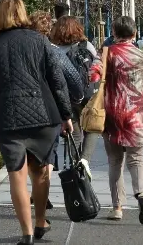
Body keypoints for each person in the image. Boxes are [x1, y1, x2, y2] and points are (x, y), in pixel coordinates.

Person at [0, 0, 73, 245]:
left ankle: (26, 233)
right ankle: (41, 220)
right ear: (22, 13)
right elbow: (57, 81)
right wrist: (66, 115)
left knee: (16, 176)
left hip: (8, 118)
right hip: (43, 116)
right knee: (40, 174)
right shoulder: (40, 41)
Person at [92, 16, 143, 224]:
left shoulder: (106, 54)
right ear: (133, 34)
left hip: (112, 114)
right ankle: (141, 194)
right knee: (137, 160)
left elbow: (94, 74)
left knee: (114, 162)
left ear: (114, 33)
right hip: (136, 116)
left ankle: (117, 207)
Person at [26, 11, 86, 210]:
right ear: (48, 30)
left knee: (32, 154)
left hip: (26, 110)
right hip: (51, 109)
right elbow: (72, 80)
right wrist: (75, 102)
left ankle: (37, 191)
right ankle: (42, 190)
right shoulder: (53, 51)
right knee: (49, 152)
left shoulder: (19, 49)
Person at [50, 15, 102, 175]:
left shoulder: (55, 50)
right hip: (88, 94)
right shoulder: (87, 46)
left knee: (74, 132)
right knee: (93, 127)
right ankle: (85, 159)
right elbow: (97, 67)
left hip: (67, 96)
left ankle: (76, 166)